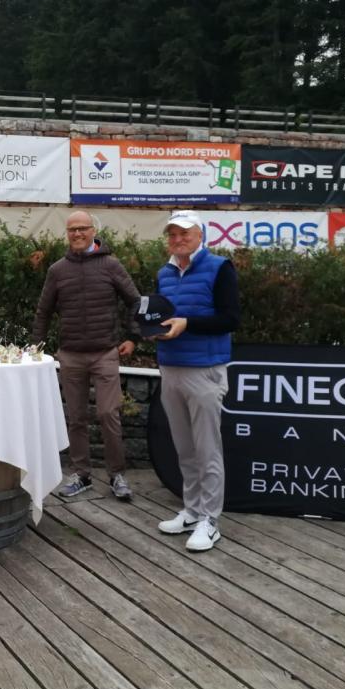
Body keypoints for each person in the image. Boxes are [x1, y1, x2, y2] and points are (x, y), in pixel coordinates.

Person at [32, 211, 141, 501]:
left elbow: (135, 301)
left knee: (108, 414)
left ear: (93, 230)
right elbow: (43, 312)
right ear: (67, 234)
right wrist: (35, 348)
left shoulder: (111, 265)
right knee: (76, 418)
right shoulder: (57, 270)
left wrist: (133, 338)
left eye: (82, 228)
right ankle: (81, 474)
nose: (77, 233)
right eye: (72, 230)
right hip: (70, 355)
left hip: (105, 352)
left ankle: (117, 475)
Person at [149, 210, 240, 551]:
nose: (178, 239)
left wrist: (188, 324)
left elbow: (230, 319)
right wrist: (152, 330)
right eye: (172, 234)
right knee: (185, 448)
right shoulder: (164, 273)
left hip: (205, 369)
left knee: (207, 449)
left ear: (200, 235)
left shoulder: (220, 267)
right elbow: (161, 316)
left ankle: (210, 520)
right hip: (170, 367)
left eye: (184, 233)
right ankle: (192, 510)